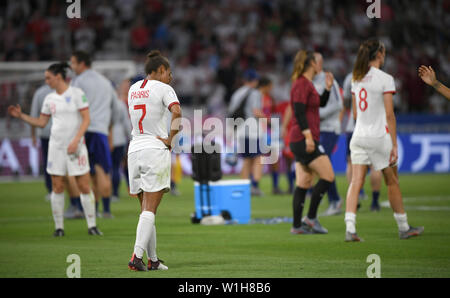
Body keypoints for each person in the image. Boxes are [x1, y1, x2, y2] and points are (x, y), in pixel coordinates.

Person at [8, 62, 101, 237]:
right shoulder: (49, 99)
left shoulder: (77, 94)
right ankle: (59, 228)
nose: (46, 81)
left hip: (76, 146)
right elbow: (42, 122)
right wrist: (22, 116)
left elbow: (86, 119)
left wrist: (76, 140)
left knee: (83, 185)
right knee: (57, 186)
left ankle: (92, 226)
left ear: (58, 77)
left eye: (48, 78)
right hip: (56, 147)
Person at [344, 39, 424, 242]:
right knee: (392, 181)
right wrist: (394, 143)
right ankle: (404, 227)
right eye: (384, 52)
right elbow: (390, 115)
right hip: (378, 136)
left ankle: (350, 228)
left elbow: (354, 113)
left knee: (355, 181)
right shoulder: (385, 79)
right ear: (379, 55)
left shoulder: (356, 78)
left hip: (358, 135)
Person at [127, 50, 181, 271]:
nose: (170, 77)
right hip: (154, 149)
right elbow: (177, 111)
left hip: (134, 149)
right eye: (169, 72)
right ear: (160, 70)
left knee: (145, 211)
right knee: (150, 209)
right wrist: (171, 139)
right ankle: (136, 257)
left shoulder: (132, 89)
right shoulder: (164, 88)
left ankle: (154, 260)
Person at [288, 50, 335, 235]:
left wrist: (328, 88)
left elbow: (319, 104)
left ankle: (297, 226)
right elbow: (299, 112)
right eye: (318, 62)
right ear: (311, 64)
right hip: (303, 138)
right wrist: (308, 137)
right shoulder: (301, 84)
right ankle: (311, 218)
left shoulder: (308, 84)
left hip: (302, 138)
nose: (320, 65)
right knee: (328, 176)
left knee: (304, 182)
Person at [70, 50, 119, 218]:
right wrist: (109, 128)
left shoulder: (77, 82)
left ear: (82, 64)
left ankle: (86, 210)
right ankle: (105, 210)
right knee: (102, 172)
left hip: (82, 131)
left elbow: (71, 106)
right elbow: (117, 110)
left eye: (73, 63)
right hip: (100, 132)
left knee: (83, 173)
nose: (71, 67)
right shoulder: (106, 83)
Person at [342, 72, 382, 212]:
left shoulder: (351, 77)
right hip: (374, 128)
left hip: (354, 127)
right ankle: (375, 203)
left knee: (351, 163)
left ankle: (355, 197)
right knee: (375, 165)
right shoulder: (381, 77)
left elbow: (346, 102)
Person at [312, 52, 344, 216]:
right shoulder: (310, 81)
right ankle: (332, 199)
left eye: (313, 62)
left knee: (324, 164)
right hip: (317, 130)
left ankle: (335, 200)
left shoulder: (329, 79)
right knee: (320, 165)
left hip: (330, 128)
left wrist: (319, 113)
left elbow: (339, 104)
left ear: (320, 63)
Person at [228, 70, 266, 196]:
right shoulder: (255, 93)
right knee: (257, 158)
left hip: (240, 129)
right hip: (252, 129)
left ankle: (244, 186)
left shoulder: (237, 93)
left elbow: (231, 112)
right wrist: (268, 119)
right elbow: (256, 111)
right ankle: (254, 186)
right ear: (255, 81)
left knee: (246, 159)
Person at [29, 84, 53, 200]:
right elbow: (34, 115)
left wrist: (33, 135)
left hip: (46, 134)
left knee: (49, 164)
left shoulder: (39, 92)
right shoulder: (66, 91)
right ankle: (58, 190)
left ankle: (52, 190)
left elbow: (34, 115)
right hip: (58, 134)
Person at [111, 96, 132, 202]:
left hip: (105, 137)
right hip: (119, 139)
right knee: (116, 166)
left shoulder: (104, 102)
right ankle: (114, 193)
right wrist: (131, 138)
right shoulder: (120, 104)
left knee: (107, 168)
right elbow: (126, 122)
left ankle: (108, 193)